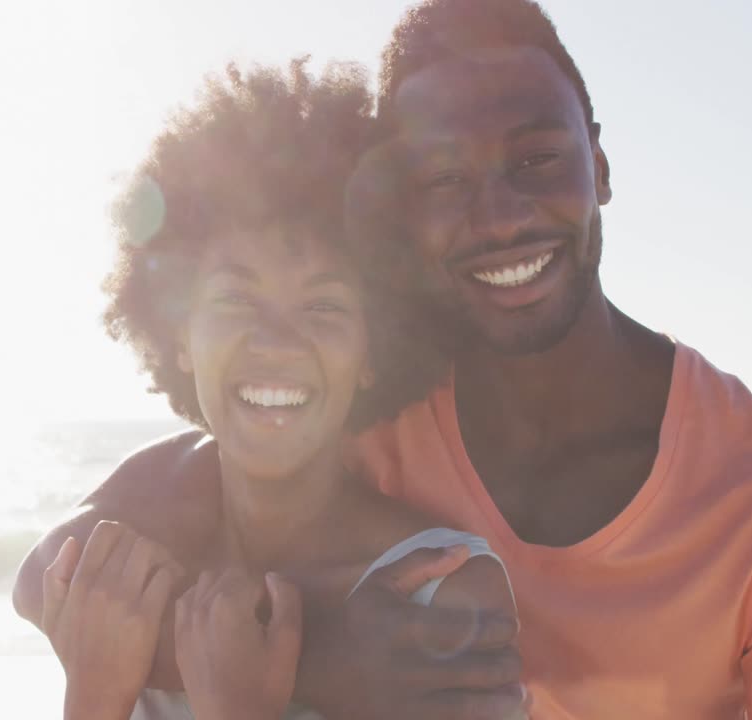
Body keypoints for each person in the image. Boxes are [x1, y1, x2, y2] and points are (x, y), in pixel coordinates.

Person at [17, 1, 752, 718]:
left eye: (537, 159)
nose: (499, 218)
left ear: (600, 165)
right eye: (442, 180)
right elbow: (51, 578)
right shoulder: (348, 401)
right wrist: (316, 662)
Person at [36, 60, 518, 720]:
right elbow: (36, 579)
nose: (275, 344)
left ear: (375, 350)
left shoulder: (442, 598)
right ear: (179, 332)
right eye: (236, 300)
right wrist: (93, 695)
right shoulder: (145, 517)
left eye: (323, 308)